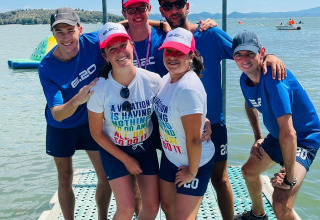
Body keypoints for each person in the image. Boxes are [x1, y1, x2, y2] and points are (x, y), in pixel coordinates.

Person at [157, 0, 287, 219]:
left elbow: (247, 56)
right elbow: (132, 25)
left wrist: (270, 56)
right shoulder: (166, 39)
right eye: (167, 6)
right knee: (177, 183)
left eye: (178, 4)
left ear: (187, 6)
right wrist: (157, 23)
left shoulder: (210, 34)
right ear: (161, 10)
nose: (173, 10)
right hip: (177, 129)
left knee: (220, 178)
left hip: (213, 123)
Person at [232, 30, 320, 220]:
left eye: (250, 53)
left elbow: (290, 134)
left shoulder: (274, 80)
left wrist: (289, 176)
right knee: (248, 171)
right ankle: (258, 215)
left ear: (262, 53)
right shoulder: (244, 79)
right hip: (277, 136)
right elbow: (250, 105)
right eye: (239, 54)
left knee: (280, 201)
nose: (244, 59)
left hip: (304, 138)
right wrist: (258, 137)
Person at [38, 7, 112, 220]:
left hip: (91, 120)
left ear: (80, 29)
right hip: (61, 126)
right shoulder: (46, 67)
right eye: (59, 32)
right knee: (65, 177)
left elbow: (127, 27)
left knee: (104, 176)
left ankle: (102, 218)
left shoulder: (95, 42)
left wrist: (160, 24)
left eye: (70, 30)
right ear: (53, 35)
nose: (66, 37)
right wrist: (78, 99)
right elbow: (58, 114)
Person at [87, 22, 162, 220]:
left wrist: (203, 119)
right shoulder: (99, 90)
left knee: (153, 207)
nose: (120, 52)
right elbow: (96, 133)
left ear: (131, 46)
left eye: (123, 45)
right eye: (112, 49)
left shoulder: (153, 81)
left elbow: (177, 104)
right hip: (114, 150)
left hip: (145, 149)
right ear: (105, 56)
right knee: (127, 208)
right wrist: (126, 159)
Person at [155, 27, 215, 220]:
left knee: (183, 217)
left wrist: (192, 172)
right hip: (171, 157)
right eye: (168, 51)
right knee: (167, 206)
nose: (172, 56)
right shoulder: (166, 79)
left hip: (194, 162)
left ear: (190, 55)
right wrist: (203, 117)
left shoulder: (187, 87)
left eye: (178, 52)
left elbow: (195, 140)